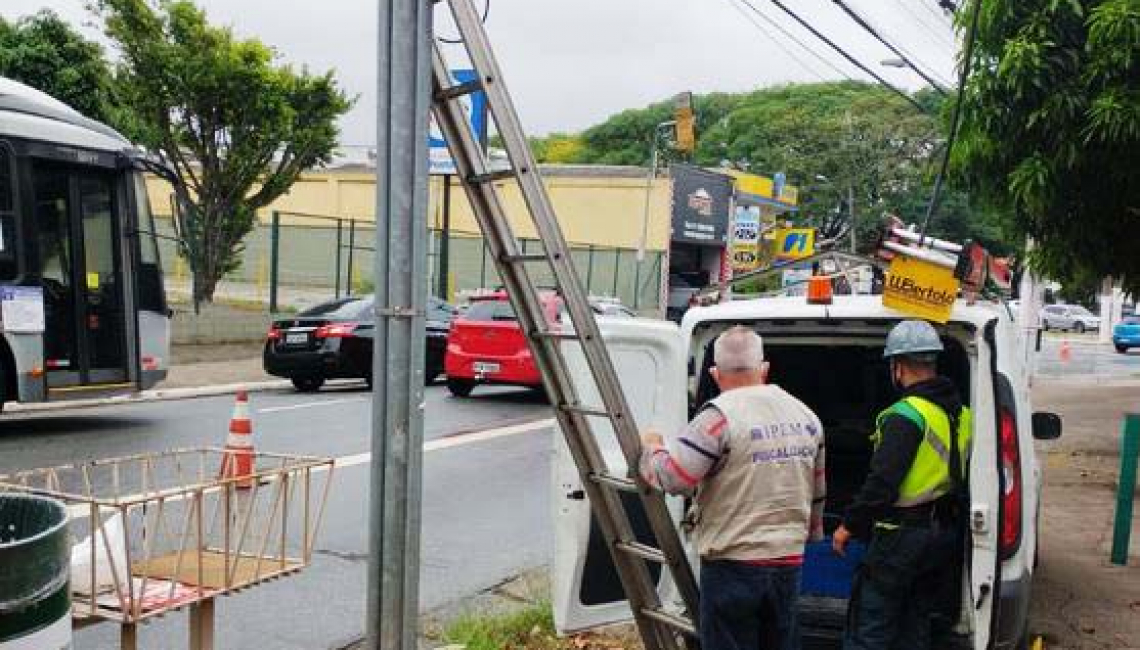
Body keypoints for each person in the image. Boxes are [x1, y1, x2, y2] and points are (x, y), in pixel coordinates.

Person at [639, 325, 826, 650]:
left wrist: (653, 448)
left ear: (714, 373)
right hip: (788, 563)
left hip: (732, 565)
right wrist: (810, 535)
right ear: (764, 369)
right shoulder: (807, 416)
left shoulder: (718, 418)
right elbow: (816, 491)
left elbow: (674, 478)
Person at [833, 319, 973, 650]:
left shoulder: (905, 415)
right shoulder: (961, 413)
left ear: (897, 366)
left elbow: (882, 483)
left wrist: (848, 526)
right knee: (915, 623)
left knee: (870, 627)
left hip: (901, 536)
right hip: (942, 532)